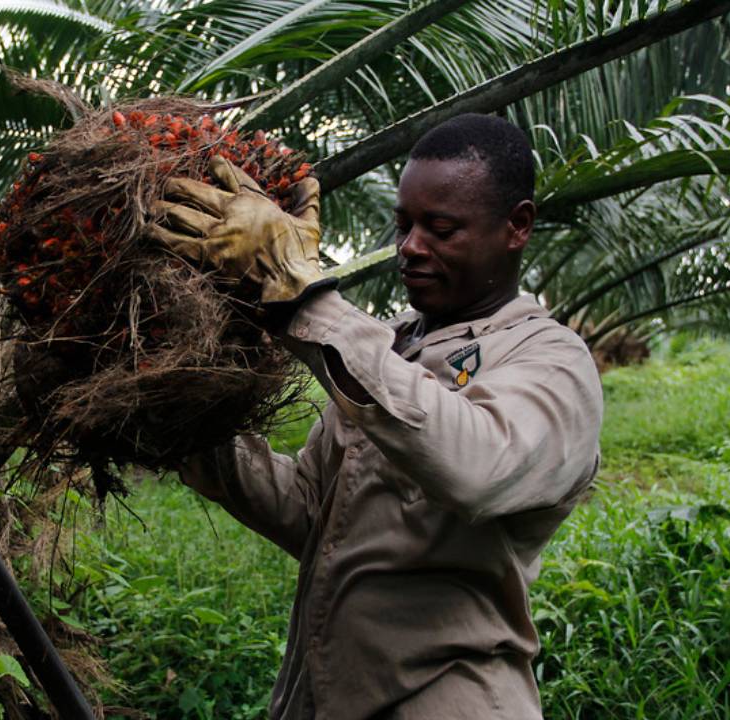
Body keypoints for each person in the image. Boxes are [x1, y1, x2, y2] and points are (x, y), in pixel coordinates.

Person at [148, 113, 604, 719]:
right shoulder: (386, 345)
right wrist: (179, 412)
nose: (411, 247)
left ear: (516, 226)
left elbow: (476, 466)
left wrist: (302, 292)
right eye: (404, 225)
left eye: (441, 228)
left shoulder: (552, 362)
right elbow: (311, 510)